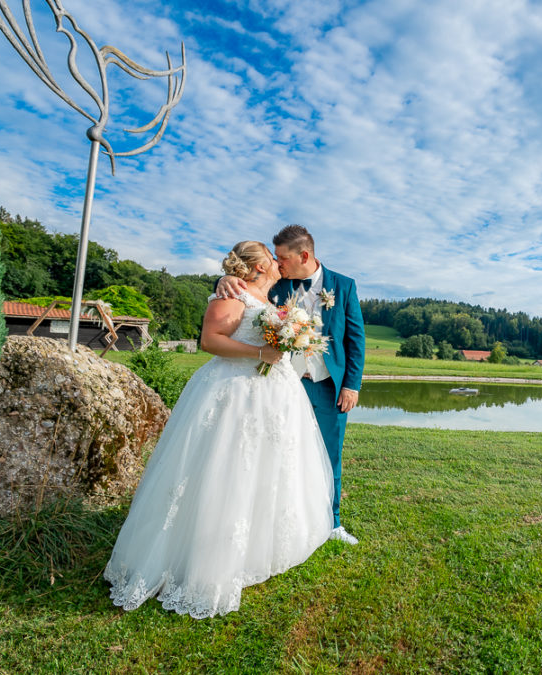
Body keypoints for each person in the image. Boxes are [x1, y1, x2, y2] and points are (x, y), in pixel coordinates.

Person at [104, 241, 334, 619]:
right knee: (225, 468)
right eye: (272, 259)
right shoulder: (231, 293)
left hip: (272, 394)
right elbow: (210, 341)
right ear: (258, 268)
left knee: (266, 469)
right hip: (235, 393)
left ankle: (259, 547)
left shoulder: (267, 297)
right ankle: (204, 554)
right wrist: (262, 353)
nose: (280, 264)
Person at [217, 225, 366, 545]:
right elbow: (243, 291)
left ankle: (332, 523)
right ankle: (284, 520)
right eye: (276, 259)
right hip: (284, 384)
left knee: (330, 455)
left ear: (305, 256)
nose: (278, 264)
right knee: (279, 453)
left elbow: (356, 340)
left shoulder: (344, 286)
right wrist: (223, 279)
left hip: (329, 386)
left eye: (283, 258)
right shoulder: (276, 283)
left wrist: (351, 385)